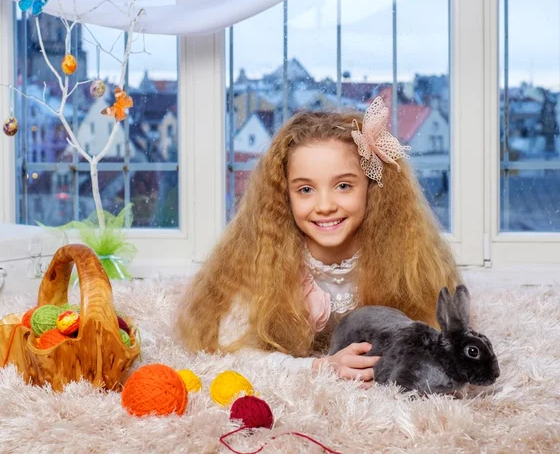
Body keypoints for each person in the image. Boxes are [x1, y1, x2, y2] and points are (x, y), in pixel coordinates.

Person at [176, 97, 461, 386]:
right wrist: (320, 366)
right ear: (284, 195)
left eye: (343, 186)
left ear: (372, 189)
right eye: (306, 189)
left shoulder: (402, 255)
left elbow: (436, 337)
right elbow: (230, 350)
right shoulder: (265, 258)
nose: (324, 205)